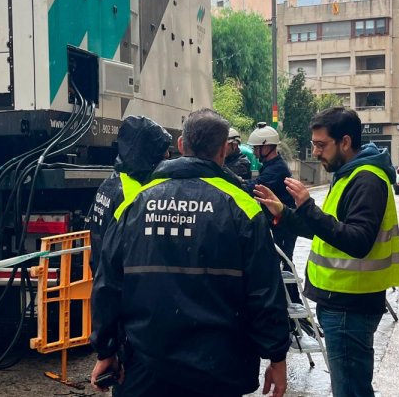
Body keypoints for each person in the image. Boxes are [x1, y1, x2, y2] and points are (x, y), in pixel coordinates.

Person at [90, 109, 289, 397]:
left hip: (145, 367)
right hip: (219, 368)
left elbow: (107, 284)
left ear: (181, 145)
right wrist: (276, 356)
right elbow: (265, 291)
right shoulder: (243, 208)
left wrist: (105, 351)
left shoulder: (134, 205)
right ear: (223, 150)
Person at [253, 107, 399, 397]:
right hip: (343, 302)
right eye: (314, 144)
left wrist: (308, 207)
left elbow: (357, 241)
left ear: (345, 142)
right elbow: (327, 231)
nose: (316, 152)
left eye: (321, 145)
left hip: (350, 306)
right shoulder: (349, 175)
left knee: (350, 390)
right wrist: (284, 212)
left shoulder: (366, 179)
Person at [86, 115, 172, 268]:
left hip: (104, 275)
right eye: (163, 151)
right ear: (147, 152)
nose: (167, 156)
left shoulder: (112, 182)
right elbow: (137, 247)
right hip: (123, 281)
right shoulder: (133, 193)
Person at [245, 122, 297, 260]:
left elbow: (255, 187)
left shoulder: (276, 169)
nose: (255, 153)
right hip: (278, 222)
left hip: (285, 225)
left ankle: (290, 282)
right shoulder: (271, 166)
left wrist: (234, 180)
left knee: (284, 261)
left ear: (267, 146)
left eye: (256, 148)